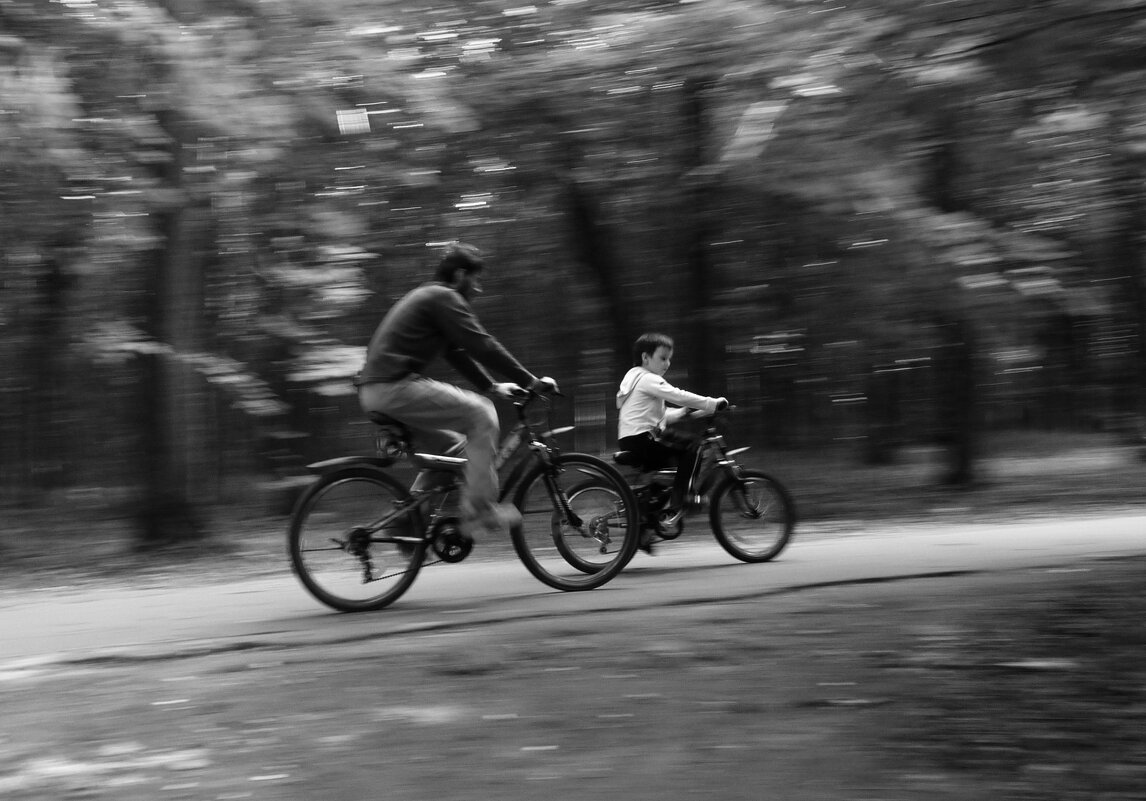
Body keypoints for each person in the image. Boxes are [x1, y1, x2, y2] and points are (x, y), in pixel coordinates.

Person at [356, 242, 556, 543]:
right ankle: (480, 510)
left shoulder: (429, 297)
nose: (478, 288)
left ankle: (404, 525)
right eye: (475, 279)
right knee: (481, 413)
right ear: (460, 274)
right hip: (393, 386)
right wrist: (529, 381)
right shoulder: (443, 296)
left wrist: (492, 385)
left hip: (376, 391)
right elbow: (482, 345)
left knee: (453, 454)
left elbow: (455, 351)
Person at [616, 333, 727, 551]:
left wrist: (685, 413)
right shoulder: (648, 378)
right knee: (694, 446)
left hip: (632, 439)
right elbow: (677, 394)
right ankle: (682, 501)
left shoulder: (634, 378)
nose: (668, 363)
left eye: (669, 358)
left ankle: (646, 525)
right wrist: (711, 404)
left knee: (673, 469)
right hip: (644, 438)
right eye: (663, 358)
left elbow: (659, 415)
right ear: (646, 357)